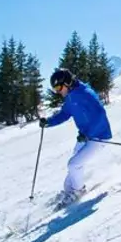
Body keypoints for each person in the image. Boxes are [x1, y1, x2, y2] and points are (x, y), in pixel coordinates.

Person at [39, 68, 113, 206]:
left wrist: (88, 133)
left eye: (58, 88)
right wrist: (48, 122)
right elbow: (64, 114)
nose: (57, 92)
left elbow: (100, 115)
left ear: (67, 83)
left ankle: (78, 191)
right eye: (55, 89)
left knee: (74, 164)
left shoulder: (85, 94)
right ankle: (69, 190)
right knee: (74, 164)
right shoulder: (70, 96)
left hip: (99, 136)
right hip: (85, 137)